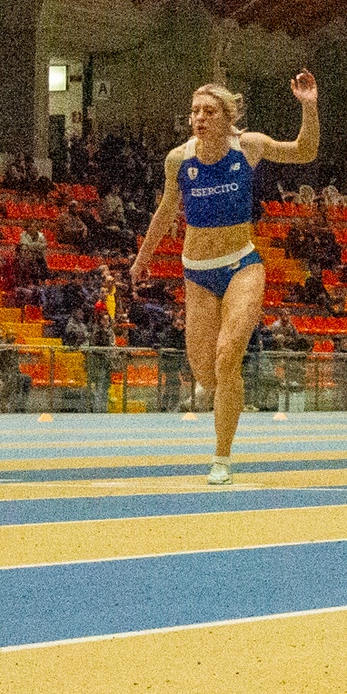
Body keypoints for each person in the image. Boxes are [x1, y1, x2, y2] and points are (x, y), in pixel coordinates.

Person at [131, 71, 319, 485]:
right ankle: (226, 397)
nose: (200, 118)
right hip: (197, 273)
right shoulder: (178, 160)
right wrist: (143, 259)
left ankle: (221, 457)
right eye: (195, 111)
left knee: (227, 355)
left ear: (227, 116)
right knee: (205, 373)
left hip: (242, 264)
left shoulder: (248, 147)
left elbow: (305, 151)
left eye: (209, 111)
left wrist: (308, 106)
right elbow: (166, 210)